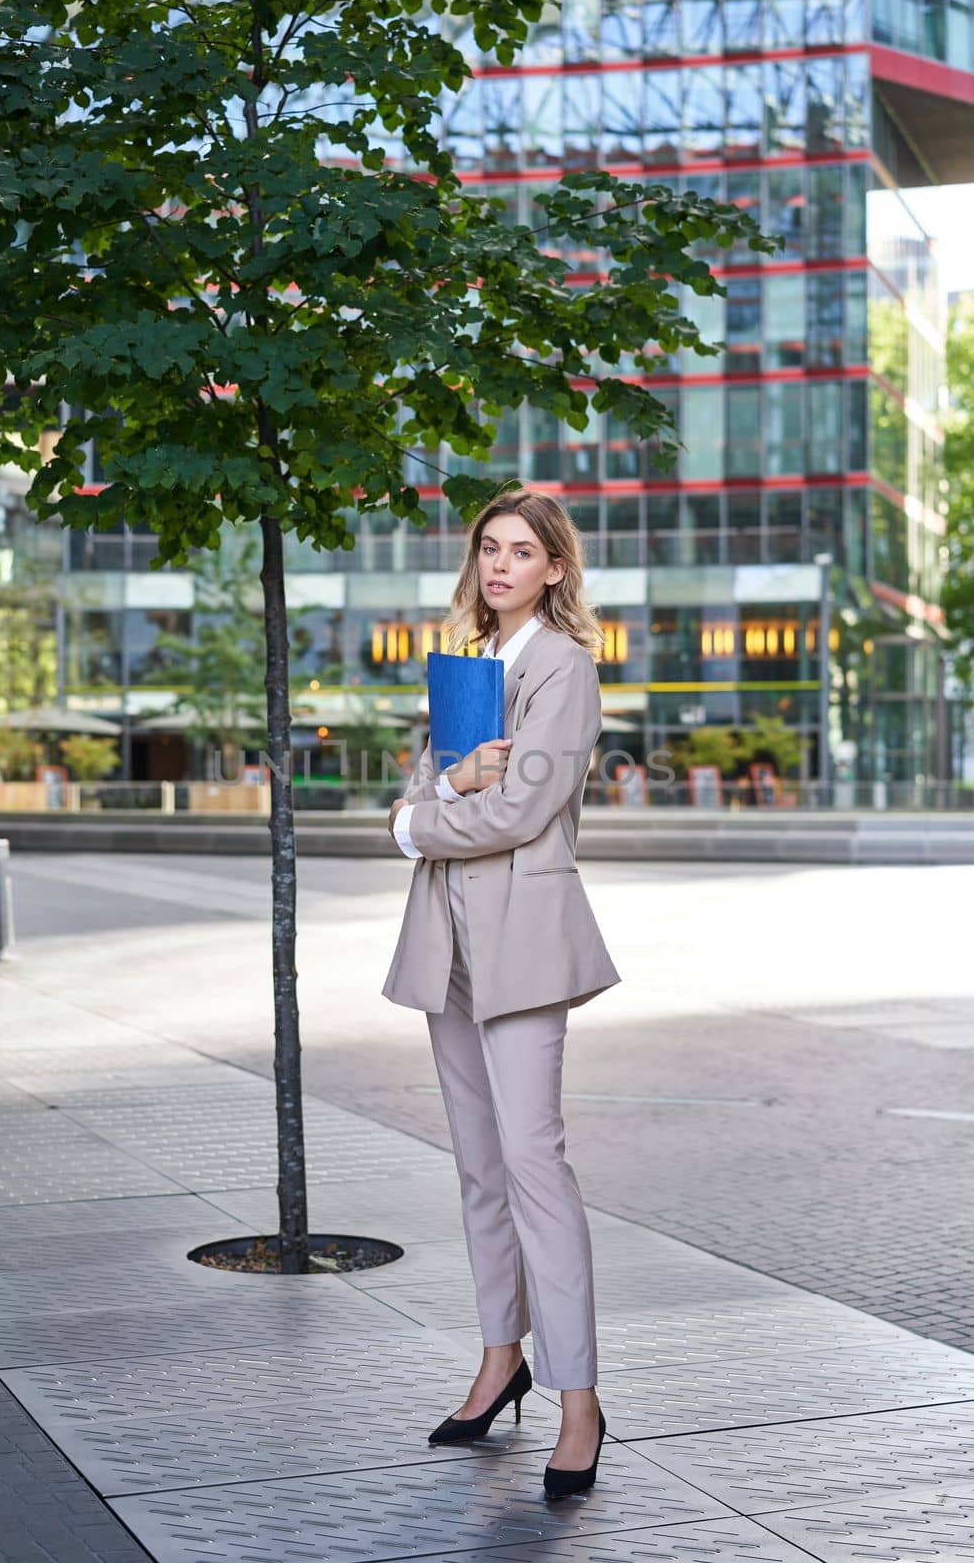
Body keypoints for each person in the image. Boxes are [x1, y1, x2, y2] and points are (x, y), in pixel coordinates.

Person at [382, 485, 622, 1500]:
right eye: (488, 548)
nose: (499, 565)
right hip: (451, 946)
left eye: (521, 552)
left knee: (532, 1163)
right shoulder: (465, 667)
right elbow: (413, 794)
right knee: (479, 1166)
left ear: (554, 568)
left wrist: (439, 803)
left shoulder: (564, 668)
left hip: (523, 944)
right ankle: (498, 1357)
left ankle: (578, 1401)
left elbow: (522, 809)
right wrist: (443, 790)